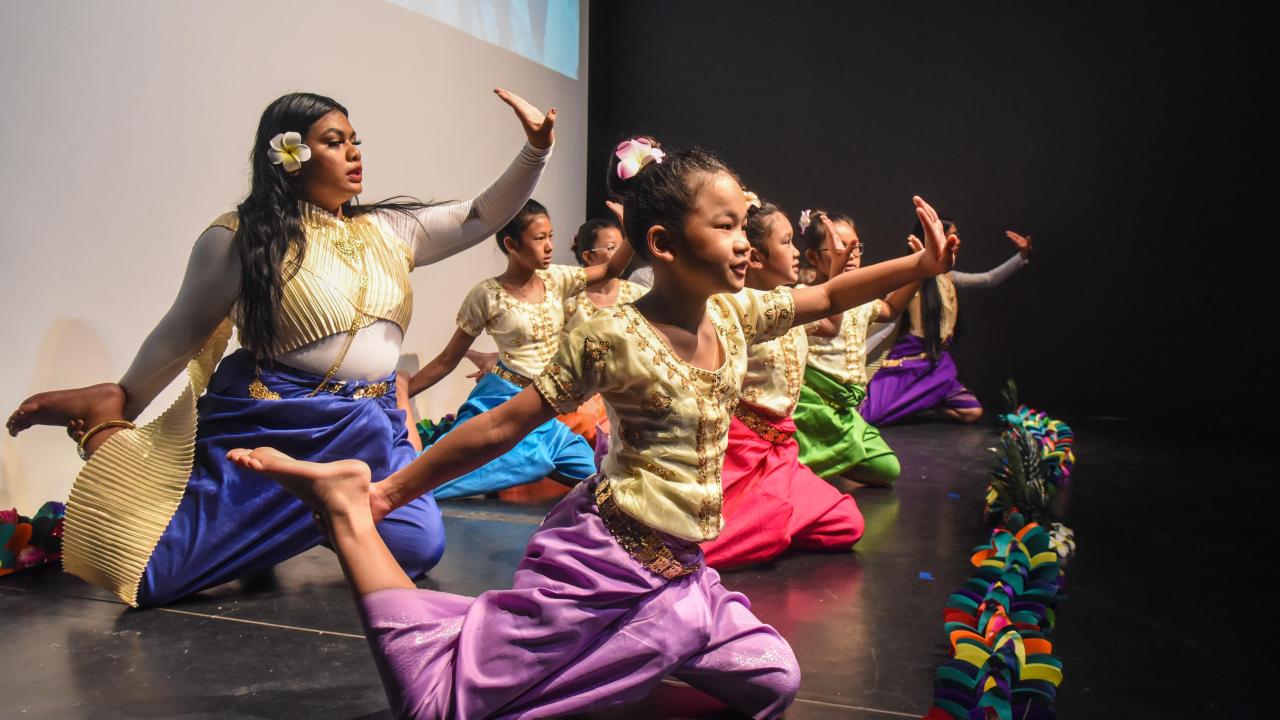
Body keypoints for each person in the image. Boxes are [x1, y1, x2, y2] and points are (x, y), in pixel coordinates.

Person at [226, 137, 959, 718]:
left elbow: (828, 290)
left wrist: (918, 264)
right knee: (438, 707)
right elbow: (501, 426)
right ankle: (350, 511)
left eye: (746, 224)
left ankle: (635, 647)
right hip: (604, 563)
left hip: (684, 573)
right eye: (727, 225)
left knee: (772, 680)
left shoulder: (738, 314)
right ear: (666, 245)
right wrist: (392, 494)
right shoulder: (612, 337)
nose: (744, 243)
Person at [5, 88, 557, 607]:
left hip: (371, 423)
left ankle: (304, 514)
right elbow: (183, 332)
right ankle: (100, 419)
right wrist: (124, 400)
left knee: (415, 548)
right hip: (280, 423)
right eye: (334, 141)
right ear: (288, 153)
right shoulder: (241, 236)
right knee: (154, 579)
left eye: (354, 140)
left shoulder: (392, 229)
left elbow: (484, 214)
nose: (353, 152)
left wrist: (536, 149)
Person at [403, 199, 634, 500]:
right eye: (539, 239)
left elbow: (613, 267)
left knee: (607, 487)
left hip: (545, 408)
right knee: (425, 480)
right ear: (511, 244)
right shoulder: (487, 295)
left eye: (551, 236)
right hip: (501, 405)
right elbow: (447, 360)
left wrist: (631, 229)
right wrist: (401, 392)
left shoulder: (557, 280)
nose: (549, 246)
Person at [700, 197, 865, 569]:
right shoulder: (731, 309)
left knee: (847, 524)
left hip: (781, 449)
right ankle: (764, 522)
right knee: (760, 527)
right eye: (786, 242)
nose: (795, 252)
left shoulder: (789, 302)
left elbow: (830, 323)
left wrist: (836, 270)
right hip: (740, 450)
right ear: (755, 257)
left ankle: (769, 521)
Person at [860, 218, 1032, 425]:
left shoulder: (949, 277)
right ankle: (917, 398)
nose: (957, 241)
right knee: (869, 416)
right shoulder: (909, 276)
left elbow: (988, 279)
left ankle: (923, 399)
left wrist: (1022, 256)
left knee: (972, 412)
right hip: (909, 361)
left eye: (957, 235)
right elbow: (885, 302)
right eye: (951, 235)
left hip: (936, 361)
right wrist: (919, 263)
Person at [791, 210, 918, 485]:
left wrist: (919, 270)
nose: (850, 254)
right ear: (813, 258)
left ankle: (828, 461)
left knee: (888, 469)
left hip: (844, 410)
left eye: (855, 247)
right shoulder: (801, 297)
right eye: (839, 248)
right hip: (812, 407)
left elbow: (891, 308)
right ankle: (805, 465)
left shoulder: (862, 301)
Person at [555, 216, 649, 445]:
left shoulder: (638, 295)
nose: (621, 253)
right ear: (588, 256)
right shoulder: (568, 301)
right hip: (583, 392)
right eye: (611, 248)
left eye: (622, 245)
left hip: (630, 389)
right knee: (582, 423)